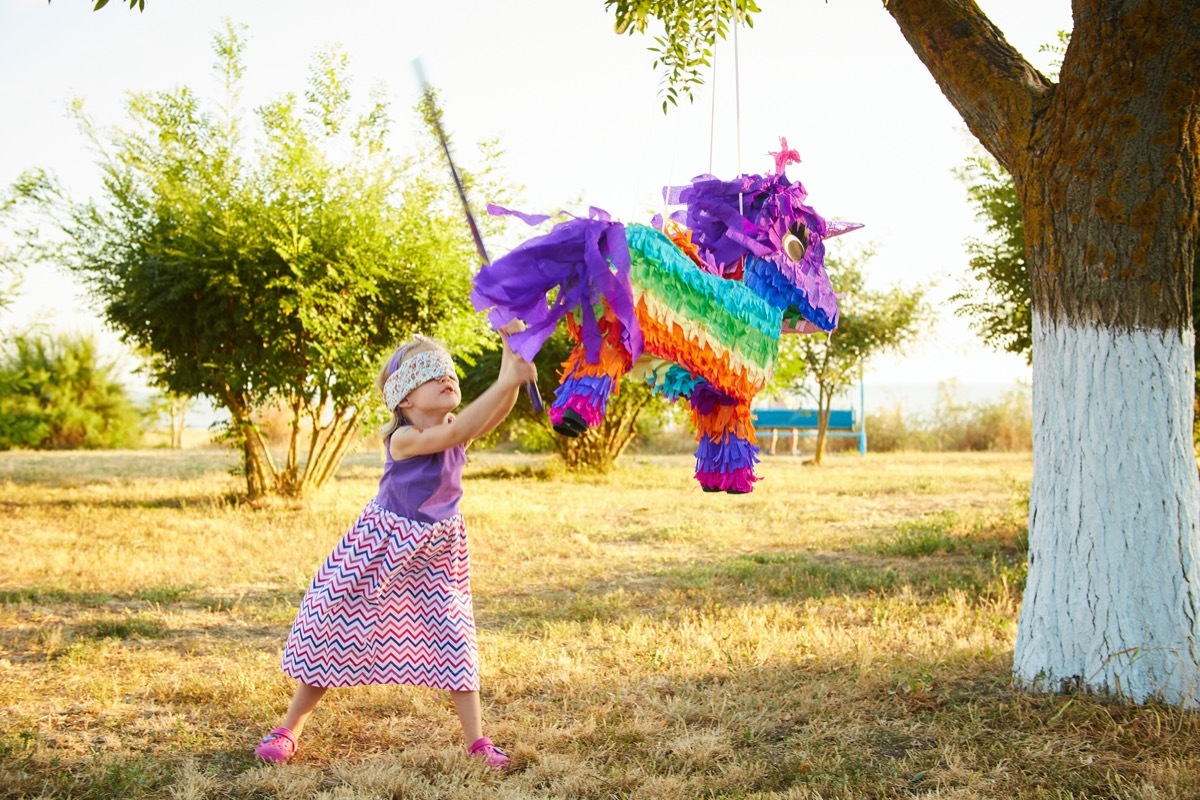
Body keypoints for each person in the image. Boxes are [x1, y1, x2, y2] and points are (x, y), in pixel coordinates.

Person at [254, 328, 536, 769]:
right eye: (431, 374)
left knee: (455, 637)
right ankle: (289, 728)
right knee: (337, 629)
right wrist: (508, 379)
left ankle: (477, 742)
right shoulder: (403, 439)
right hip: (383, 548)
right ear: (404, 400)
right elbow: (468, 421)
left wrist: (510, 352)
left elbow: (496, 409)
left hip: (437, 551)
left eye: (449, 372)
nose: (446, 378)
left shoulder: (452, 429)